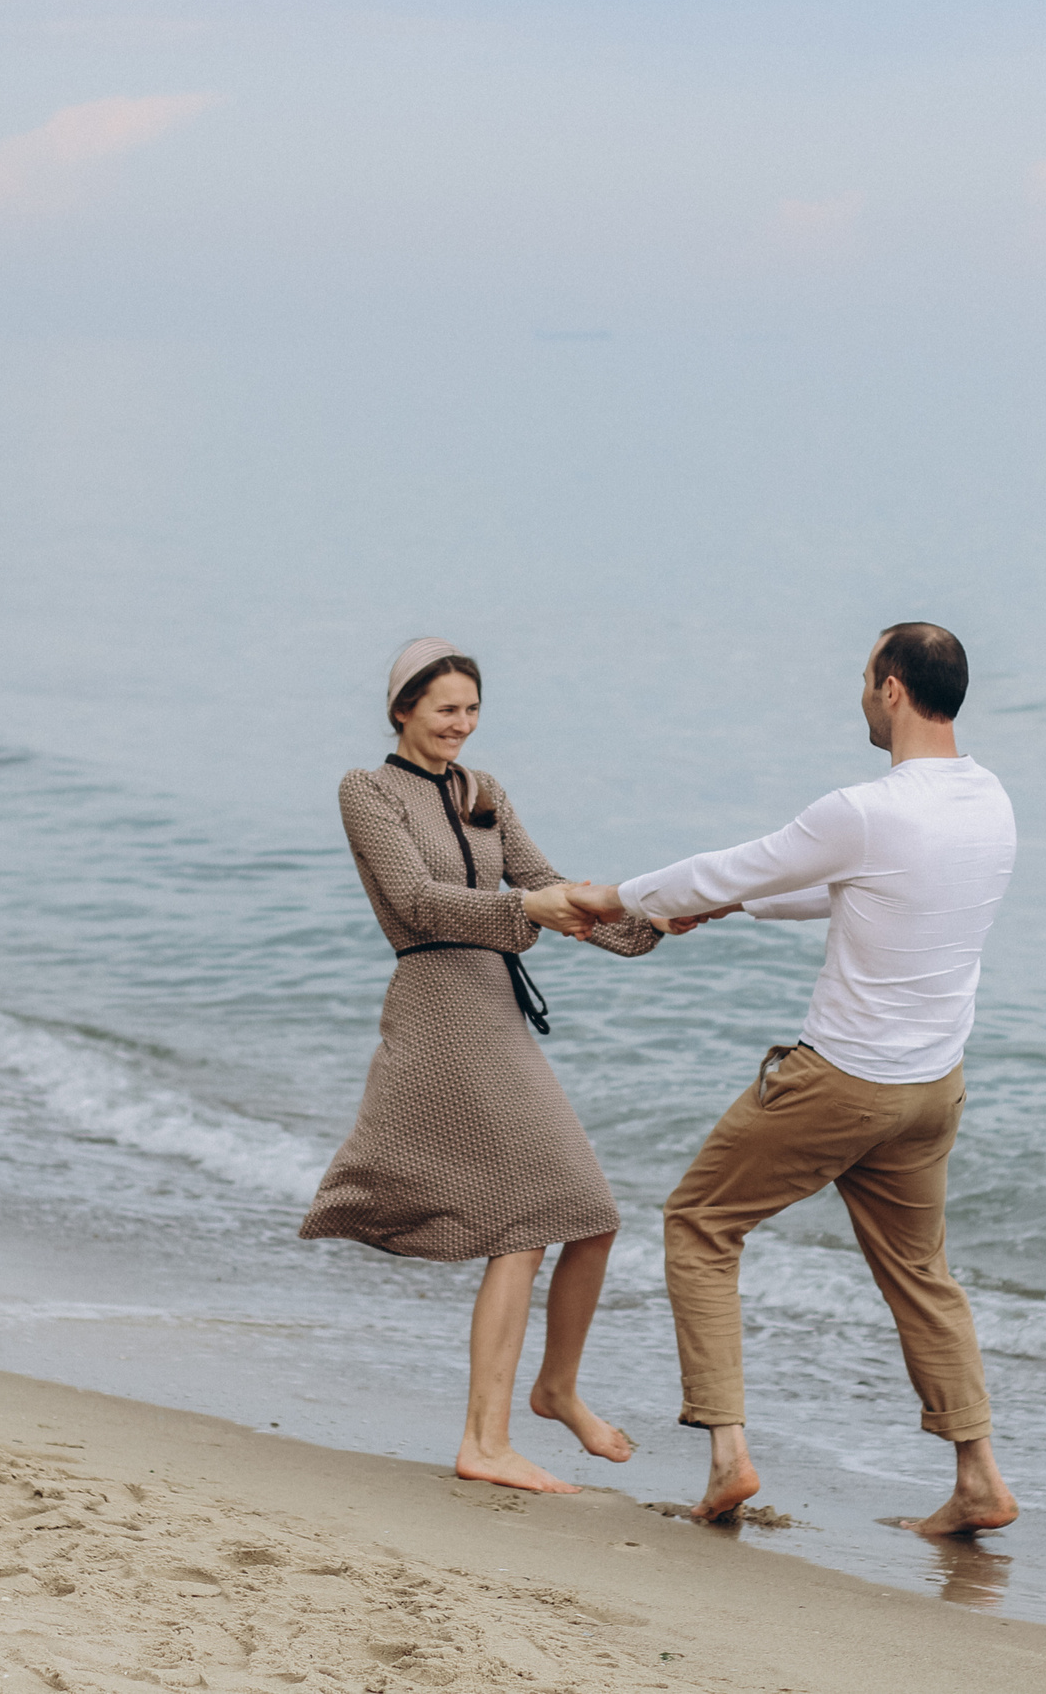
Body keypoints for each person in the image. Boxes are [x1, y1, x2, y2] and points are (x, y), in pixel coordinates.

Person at [568, 622, 1021, 1535]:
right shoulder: (989, 800)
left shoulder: (866, 808)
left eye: (864, 677)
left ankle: (730, 1457)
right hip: (932, 1091)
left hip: (844, 1083)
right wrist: (723, 904)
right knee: (921, 1271)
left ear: (892, 689)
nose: (858, 692)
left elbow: (750, 861)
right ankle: (979, 1476)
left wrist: (626, 897)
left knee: (700, 1222)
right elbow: (839, 884)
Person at [302, 636, 697, 1494]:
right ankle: (486, 1437)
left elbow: (552, 885)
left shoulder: (488, 794)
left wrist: (654, 919)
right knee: (528, 1219)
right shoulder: (367, 792)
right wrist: (528, 906)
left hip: (495, 1005)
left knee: (588, 1213)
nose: (462, 725)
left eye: (472, 709)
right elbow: (415, 900)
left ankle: (554, 1390)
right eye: (445, 708)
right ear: (402, 708)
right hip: (438, 1006)